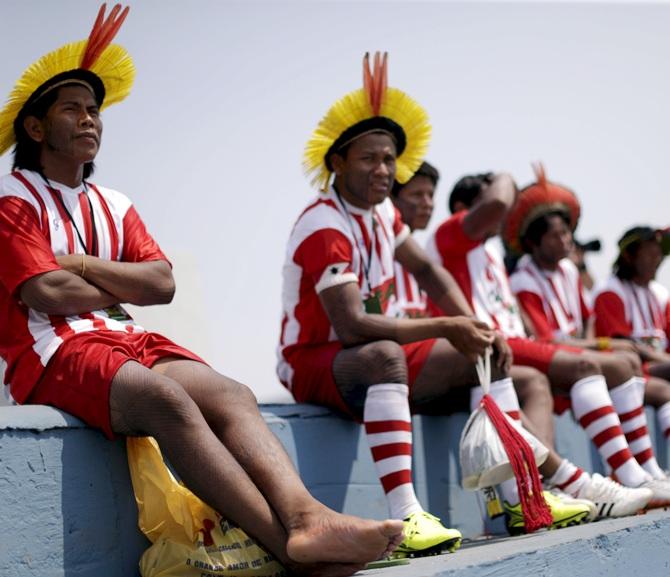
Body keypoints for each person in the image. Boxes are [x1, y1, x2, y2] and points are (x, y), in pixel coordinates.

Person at [0, 7, 405, 576]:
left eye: (95, 110)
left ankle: (308, 518)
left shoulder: (115, 203)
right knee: (167, 401)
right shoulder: (13, 200)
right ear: (36, 128)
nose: (91, 120)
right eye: (73, 109)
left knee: (232, 394)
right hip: (50, 354)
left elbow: (161, 284)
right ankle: (287, 549)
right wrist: (107, 278)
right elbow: (46, 292)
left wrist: (85, 265)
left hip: (127, 339)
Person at [278, 53, 600, 547]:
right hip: (314, 361)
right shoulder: (324, 222)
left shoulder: (382, 214)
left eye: (389, 159)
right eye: (369, 158)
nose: (383, 169)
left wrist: (473, 325)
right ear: (337, 163)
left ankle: (522, 499)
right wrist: (447, 326)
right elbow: (351, 327)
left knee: (487, 350)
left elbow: (426, 269)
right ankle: (405, 516)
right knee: (386, 355)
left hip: (362, 357)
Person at [391, 164, 634, 525]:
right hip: (411, 364)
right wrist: (503, 180)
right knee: (596, 365)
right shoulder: (446, 234)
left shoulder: (481, 254)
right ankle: (585, 479)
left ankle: (539, 489)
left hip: (462, 357)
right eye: (417, 195)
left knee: (534, 380)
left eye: (430, 195)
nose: (427, 203)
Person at [506, 171, 670, 484]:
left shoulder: (569, 270)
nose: (566, 240)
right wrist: (604, 347)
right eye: (556, 235)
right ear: (533, 242)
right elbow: (545, 341)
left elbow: (587, 319)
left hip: (575, 353)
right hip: (551, 358)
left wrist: (597, 344)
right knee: (628, 365)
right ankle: (630, 472)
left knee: (625, 361)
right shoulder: (523, 280)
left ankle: (645, 469)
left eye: (567, 233)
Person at [593, 225, 670, 439]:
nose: (658, 259)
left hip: (659, 367)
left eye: (660, 254)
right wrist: (663, 359)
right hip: (628, 372)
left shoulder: (660, 293)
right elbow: (624, 345)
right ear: (629, 256)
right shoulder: (609, 291)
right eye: (650, 253)